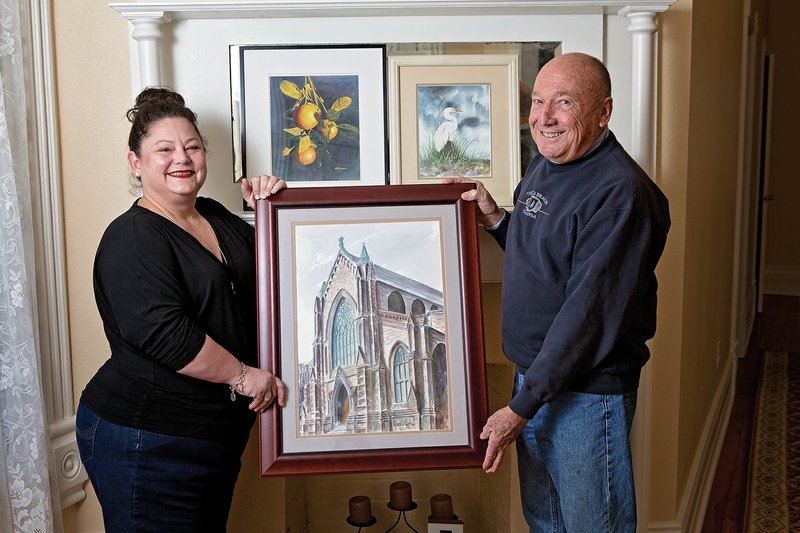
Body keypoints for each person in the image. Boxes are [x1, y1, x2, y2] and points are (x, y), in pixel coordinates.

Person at [446, 52, 670, 532]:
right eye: (539, 101)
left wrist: (518, 411)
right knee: (546, 524)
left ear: (603, 112)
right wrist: (496, 219)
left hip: (586, 399)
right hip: (535, 383)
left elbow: (587, 314)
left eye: (564, 102)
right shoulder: (548, 162)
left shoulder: (622, 194)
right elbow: (548, 262)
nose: (544, 118)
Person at [75, 87, 287, 533]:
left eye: (192, 147)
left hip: (213, 438)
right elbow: (167, 336)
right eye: (164, 149)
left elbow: (277, 271)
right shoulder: (132, 237)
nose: (182, 159)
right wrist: (245, 377)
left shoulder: (213, 214)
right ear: (136, 163)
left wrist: (270, 209)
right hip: (146, 441)